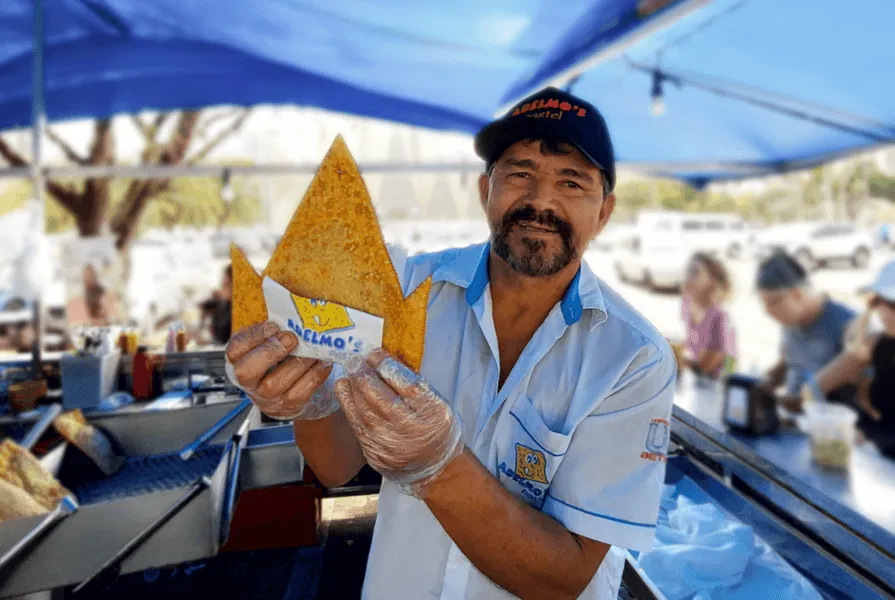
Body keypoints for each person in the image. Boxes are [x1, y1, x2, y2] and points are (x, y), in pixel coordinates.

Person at [225, 87, 675, 600]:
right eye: (520, 173)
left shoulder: (633, 357)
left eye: (572, 182)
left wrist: (440, 464)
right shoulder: (405, 291)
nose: (541, 201)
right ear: (486, 189)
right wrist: (308, 399)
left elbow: (563, 580)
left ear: (605, 211)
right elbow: (336, 465)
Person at [756, 251, 856, 410]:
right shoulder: (790, 321)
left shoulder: (848, 324)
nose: (768, 311)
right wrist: (762, 383)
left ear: (797, 294)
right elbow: (790, 362)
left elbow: (858, 388)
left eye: (772, 302)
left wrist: (795, 402)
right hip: (792, 420)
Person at [825, 260, 895, 457]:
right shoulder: (880, 345)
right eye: (879, 301)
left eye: (893, 304)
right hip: (877, 461)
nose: (885, 312)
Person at [681, 252, 736, 379]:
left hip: (715, 384)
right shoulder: (688, 305)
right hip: (696, 380)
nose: (688, 277)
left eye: (695, 273)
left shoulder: (719, 316)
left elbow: (710, 364)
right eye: (688, 271)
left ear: (711, 280)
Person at [199, 265, 233, 345]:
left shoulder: (239, 311)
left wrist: (207, 342)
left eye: (226, 283)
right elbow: (204, 305)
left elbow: (227, 341)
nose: (222, 284)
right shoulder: (224, 303)